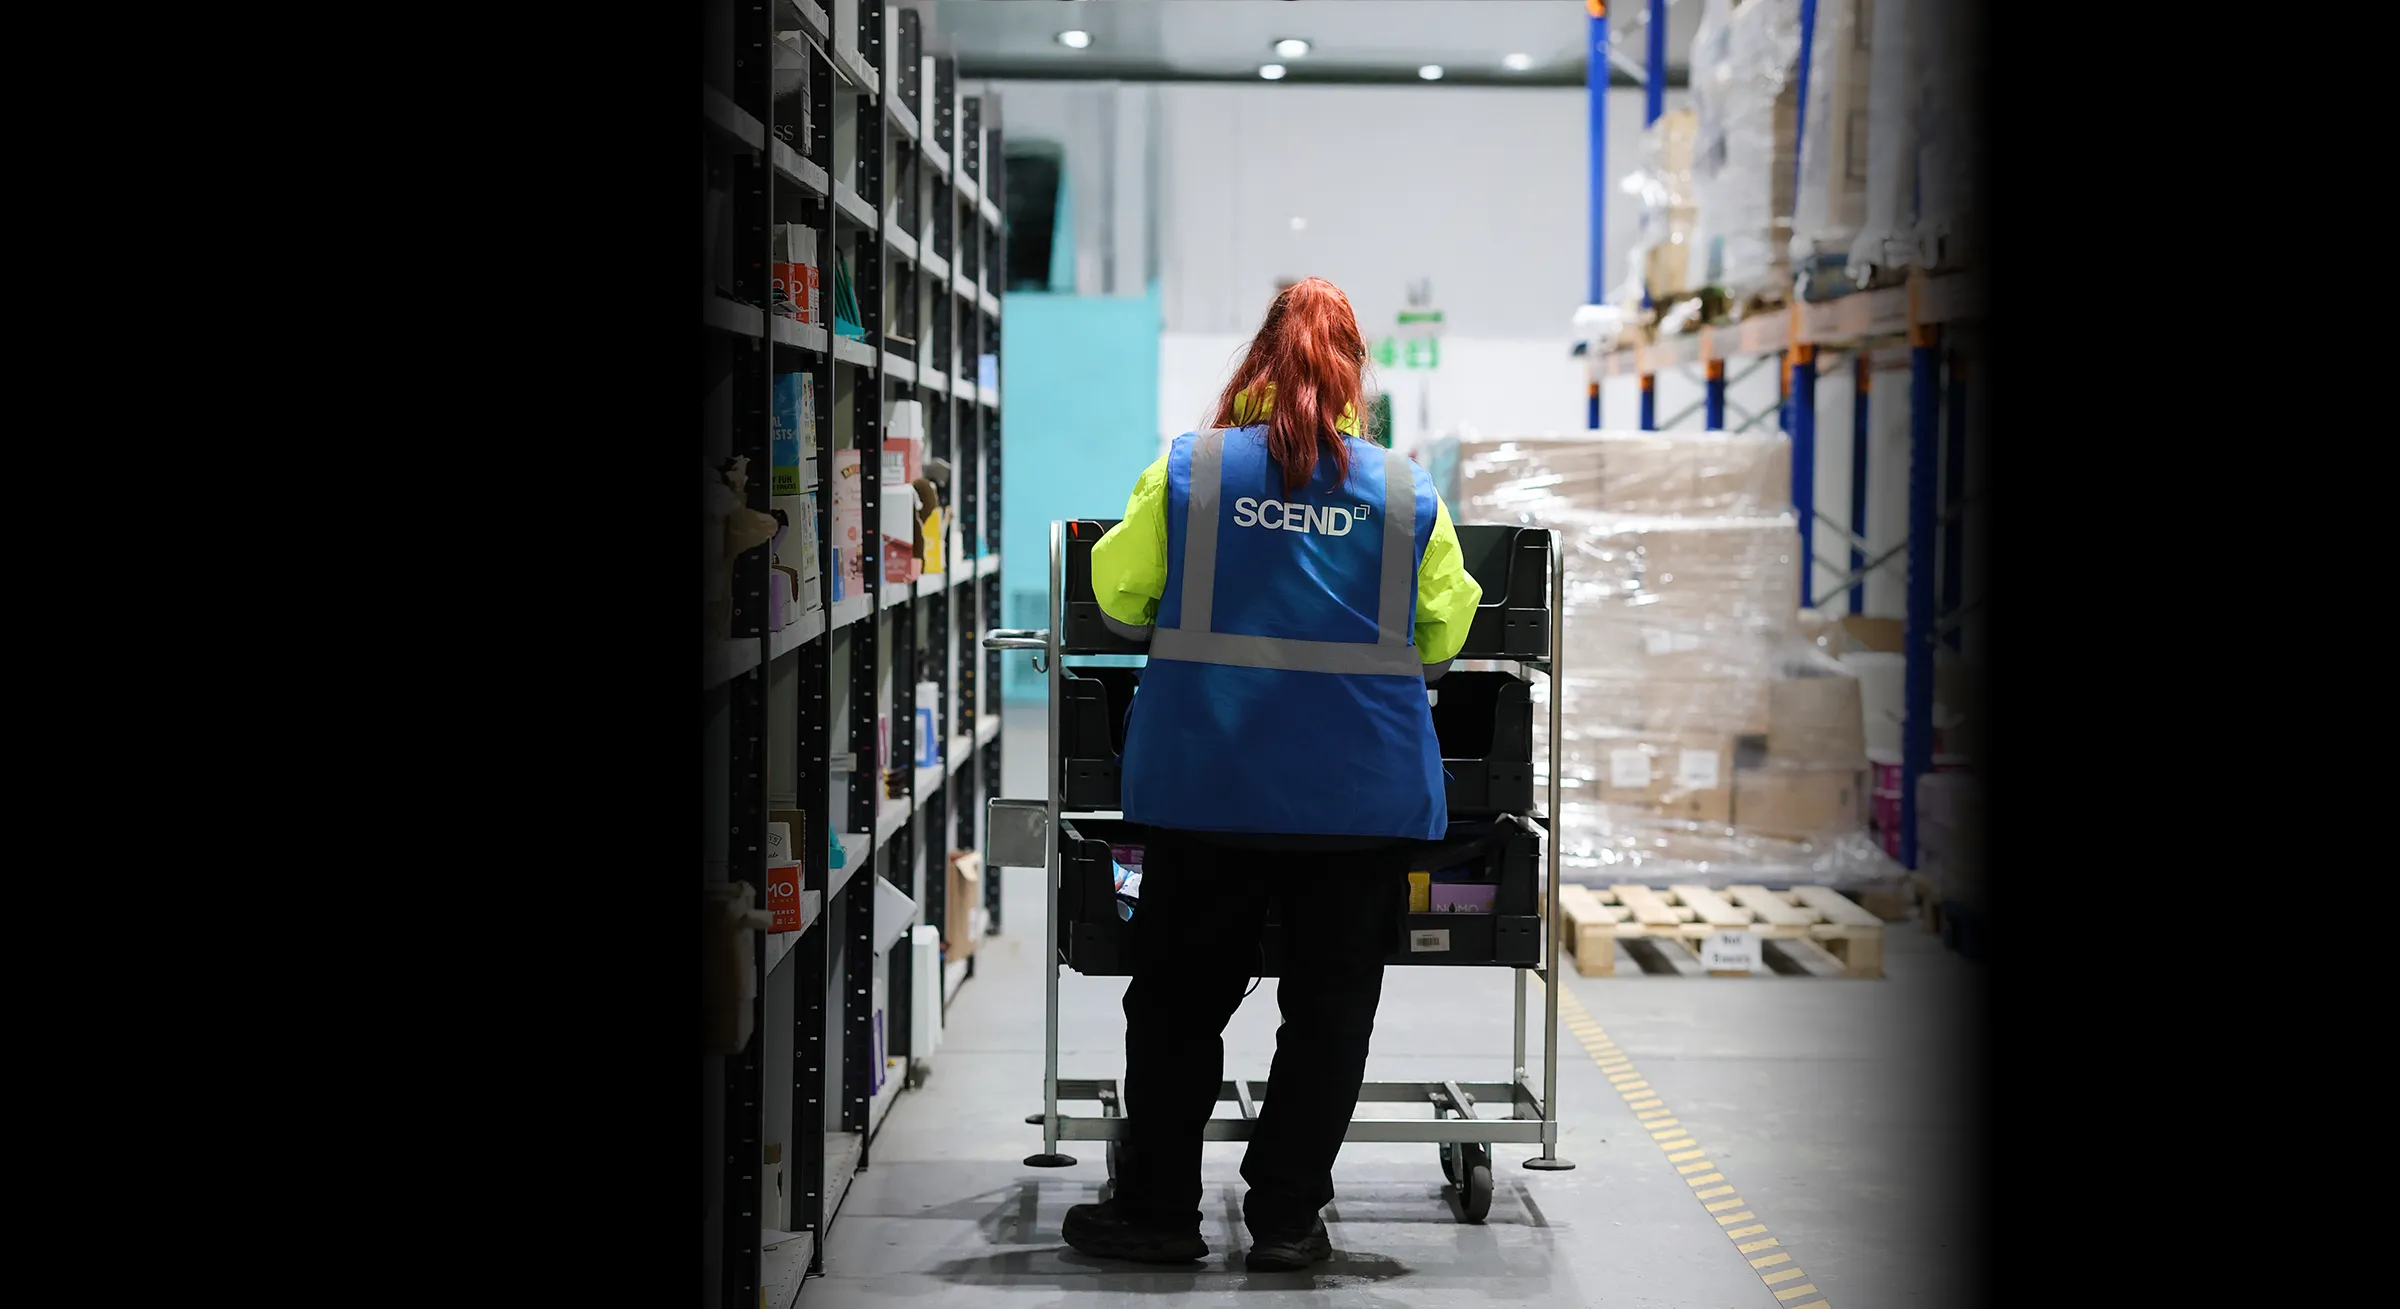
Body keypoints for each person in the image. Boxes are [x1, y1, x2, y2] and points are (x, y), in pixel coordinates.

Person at [1060, 277, 1483, 1271]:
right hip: (1358, 797)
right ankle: (1288, 1218)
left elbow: (1120, 598)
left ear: (1255, 361)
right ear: (1353, 379)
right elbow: (1441, 633)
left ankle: (1159, 1211)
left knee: (1177, 1003)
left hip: (1210, 785)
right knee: (1330, 1009)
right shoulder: (1403, 488)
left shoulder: (1190, 472)